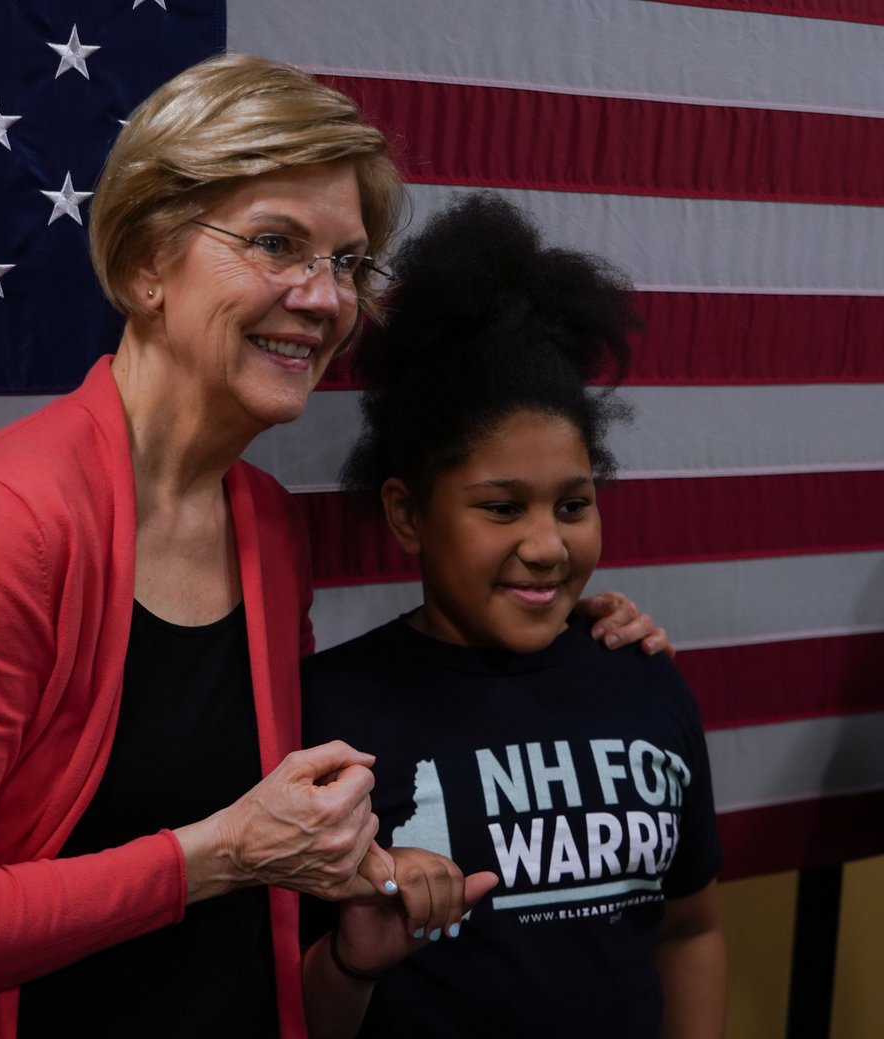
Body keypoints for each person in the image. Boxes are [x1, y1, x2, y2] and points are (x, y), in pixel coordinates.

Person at [0, 56, 668, 1039]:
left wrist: (577, 634)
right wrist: (213, 855)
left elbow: (274, 853)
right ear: (145, 263)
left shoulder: (261, 519)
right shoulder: (12, 518)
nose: (322, 298)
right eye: (276, 244)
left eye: (347, 263)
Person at [301, 193, 725, 1038]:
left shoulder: (642, 675)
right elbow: (290, 1008)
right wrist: (351, 960)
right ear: (408, 513)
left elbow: (692, 926)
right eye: (501, 508)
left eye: (573, 505)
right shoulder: (330, 716)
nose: (546, 545)